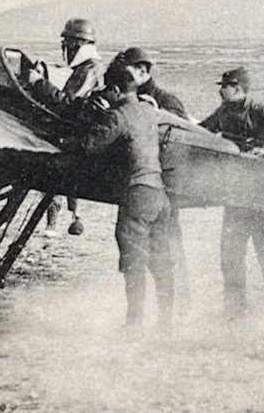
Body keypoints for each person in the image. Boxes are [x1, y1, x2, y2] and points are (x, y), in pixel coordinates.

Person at [78, 63, 174, 328]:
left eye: (107, 90)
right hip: (159, 194)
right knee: (161, 260)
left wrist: (92, 115)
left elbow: (87, 146)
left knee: (133, 261)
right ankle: (166, 322)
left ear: (115, 89)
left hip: (137, 195)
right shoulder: (148, 110)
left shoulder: (117, 116)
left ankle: (134, 324)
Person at [199, 67, 264, 315]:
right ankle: (235, 312)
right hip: (237, 193)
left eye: (225, 86)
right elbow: (201, 131)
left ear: (237, 88)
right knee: (231, 255)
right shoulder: (223, 112)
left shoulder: (258, 110)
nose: (220, 90)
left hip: (263, 194)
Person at [30, 18, 105, 236]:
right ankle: (72, 216)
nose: (66, 49)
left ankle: (54, 224)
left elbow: (67, 103)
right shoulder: (91, 66)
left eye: (67, 44)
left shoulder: (89, 68)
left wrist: (38, 82)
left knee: (52, 162)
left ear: (74, 44)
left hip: (77, 137)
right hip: (83, 136)